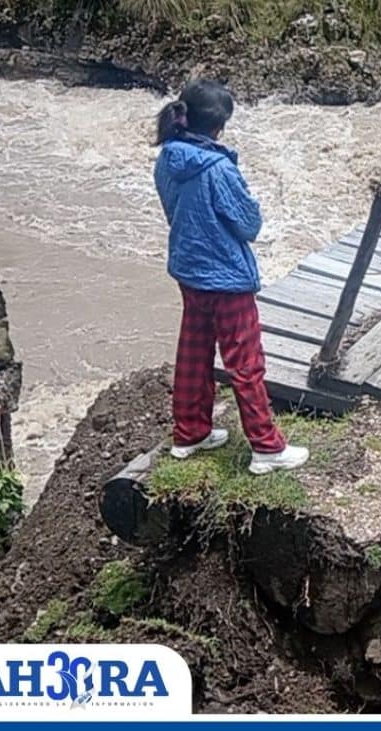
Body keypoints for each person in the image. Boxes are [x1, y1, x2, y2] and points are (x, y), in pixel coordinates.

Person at [153, 79, 308, 475]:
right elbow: (248, 225)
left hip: (189, 269)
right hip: (226, 278)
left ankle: (190, 433)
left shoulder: (168, 157)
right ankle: (266, 447)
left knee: (194, 352)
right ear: (218, 126)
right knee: (245, 362)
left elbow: (174, 211)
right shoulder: (218, 169)